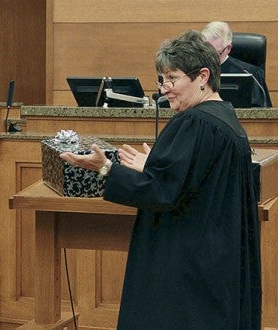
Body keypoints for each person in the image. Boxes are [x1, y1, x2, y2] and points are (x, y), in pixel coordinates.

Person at [60, 30, 261, 329]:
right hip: (216, 262)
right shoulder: (225, 118)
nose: (164, 89)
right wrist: (153, 165)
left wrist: (106, 169)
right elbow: (191, 180)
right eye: (161, 79)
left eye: (172, 78)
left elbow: (162, 191)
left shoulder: (194, 122)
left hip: (187, 269)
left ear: (203, 76)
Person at [202, 21, 272, 107]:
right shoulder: (193, 70)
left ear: (228, 49)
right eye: (205, 51)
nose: (209, 57)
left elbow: (263, 113)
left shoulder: (249, 73)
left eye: (215, 53)